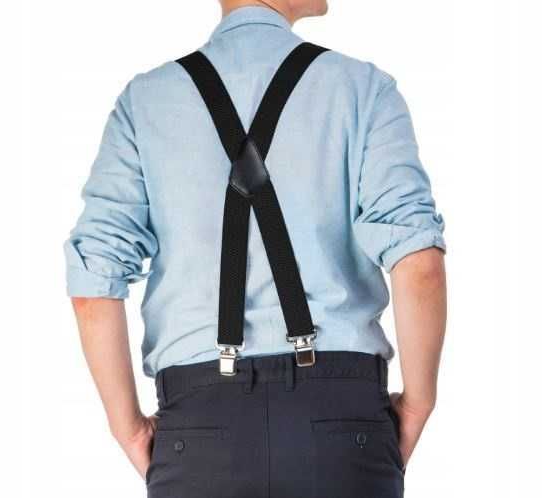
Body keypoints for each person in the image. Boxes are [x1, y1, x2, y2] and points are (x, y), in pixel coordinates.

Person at [64, 1, 447, 496]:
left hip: (199, 430)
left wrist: (129, 428)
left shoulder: (144, 103)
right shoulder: (364, 89)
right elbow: (419, 265)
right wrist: (418, 404)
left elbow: (93, 286)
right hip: (342, 426)